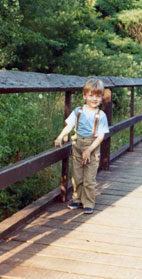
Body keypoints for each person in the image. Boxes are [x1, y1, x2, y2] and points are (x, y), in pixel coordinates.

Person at [54, 78, 109, 214]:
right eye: (91, 95)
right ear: (85, 95)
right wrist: (60, 136)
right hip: (77, 144)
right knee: (77, 176)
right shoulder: (78, 111)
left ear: (101, 97)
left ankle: (88, 202)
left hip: (92, 146)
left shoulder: (101, 115)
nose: (94, 99)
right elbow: (70, 126)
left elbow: (101, 136)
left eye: (98, 96)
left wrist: (89, 150)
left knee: (89, 178)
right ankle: (77, 199)